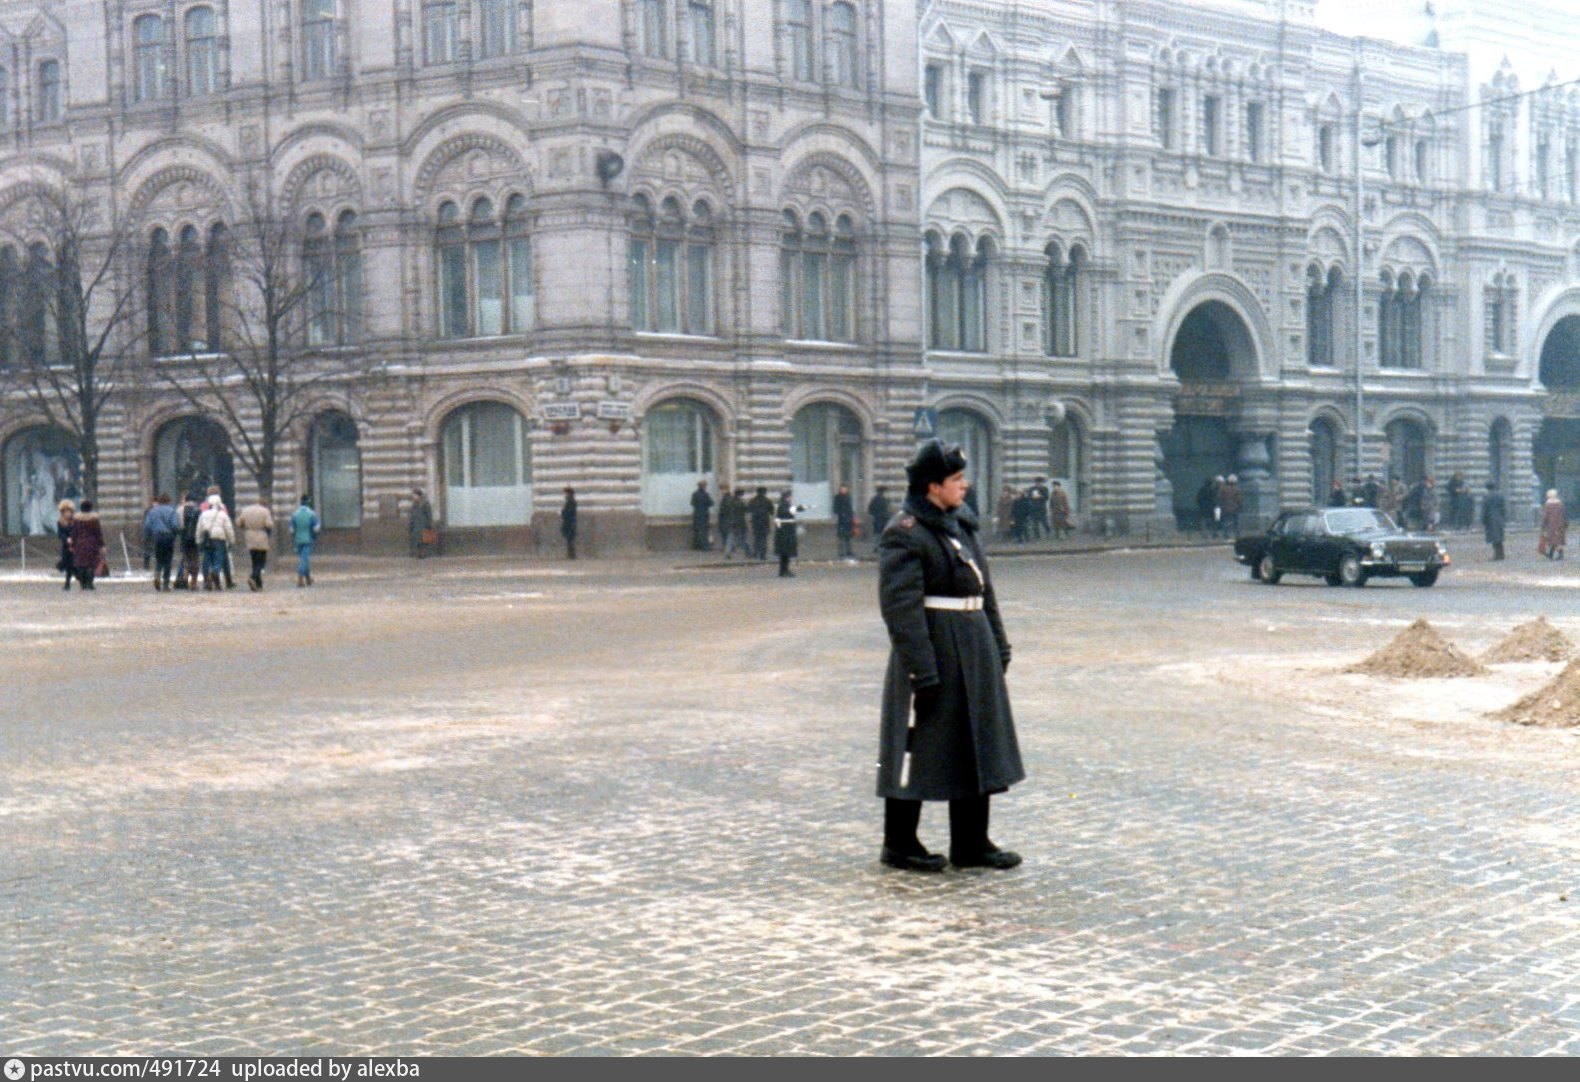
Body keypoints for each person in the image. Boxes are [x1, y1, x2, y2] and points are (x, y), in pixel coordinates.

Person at [876, 438, 1024, 872]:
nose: (964, 486)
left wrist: (998, 644)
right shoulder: (904, 534)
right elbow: (901, 609)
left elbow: (984, 591)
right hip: (932, 651)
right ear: (931, 487)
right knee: (915, 746)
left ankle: (972, 842)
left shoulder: (963, 526)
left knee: (976, 742)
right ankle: (899, 842)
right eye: (956, 479)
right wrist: (923, 672)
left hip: (973, 647)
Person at [142, 493, 181, 591]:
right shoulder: (172, 511)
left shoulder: (152, 511)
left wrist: (149, 535)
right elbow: (175, 525)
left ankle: (157, 575)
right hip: (169, 537)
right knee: (168, 560)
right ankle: (166, 584)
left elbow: (147, 525)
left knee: (159, 559)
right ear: (168, 501)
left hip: (158, 537)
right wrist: (176, 534)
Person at [197, 494, 235, 591]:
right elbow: (228, 529)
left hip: (207, 539)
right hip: (219, 539)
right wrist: (231, 540)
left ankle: (206, 580)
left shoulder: (204, 514)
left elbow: (199, 528)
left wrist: (198, 540)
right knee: (219, 558)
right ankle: (215, 571)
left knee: (207, 558)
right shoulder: (223, 515)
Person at [68, 498, 105, 590]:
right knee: (91, 564)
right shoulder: (94, 520)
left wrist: (72, 544)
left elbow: (74, 533)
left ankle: (83, 583)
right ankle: (89, 582)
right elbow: (98, 533)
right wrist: (102, 545)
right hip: (92, 544)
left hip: (79, 544)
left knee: (80, 564)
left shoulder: (77, 520)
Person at [237, 496, 274, 590]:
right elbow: (269, 524)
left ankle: (258, 583)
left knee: (254, 560)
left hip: (249, 536)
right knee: (261, 561)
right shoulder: (265, 511)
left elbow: (239, 523)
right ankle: (253, 577)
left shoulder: (246, 510)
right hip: (261, 536)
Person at [290, 494, 322, 587]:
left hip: (298, 539)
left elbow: (291, 529)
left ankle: (308, 578)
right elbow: (316, 528)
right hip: (308, 539)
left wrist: (294, 537)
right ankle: (300, 578)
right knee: (304, 559)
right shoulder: (312, 514)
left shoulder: (294, 514)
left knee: (303, 558)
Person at [773, 490, 804, 577]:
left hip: (785, 532)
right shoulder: (783, 505)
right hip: (785, 533)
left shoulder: (784, 504)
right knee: (785, 553)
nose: (791, 498)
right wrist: (797, 509)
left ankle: (784, 570)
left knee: (785, 554)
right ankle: (784, 571)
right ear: (787, 497)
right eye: (790, 496)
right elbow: (787, 512)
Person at [176, 494, 202, 590]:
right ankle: (193, 583)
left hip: (184, 538)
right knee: (195, 560)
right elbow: (200, 524)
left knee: (186, 559)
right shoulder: (197, 510)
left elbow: (177, 524)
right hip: (194, 538)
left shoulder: (179, 510)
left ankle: (184, 578)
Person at [1482, 480, 1507, 562]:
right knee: (1499, 537)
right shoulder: (1500, 495)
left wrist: (1483, 519)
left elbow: (1485, 509)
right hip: (1499, 517)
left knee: (1494, 537)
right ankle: (1501, 554)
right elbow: (1503, 507)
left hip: (1490, 518)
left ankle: (1496, 555)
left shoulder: (1486, 496)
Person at [747, 486, 774, 561]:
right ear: (765, 492)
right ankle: (763, 555)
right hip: (764, 522)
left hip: (755, 522)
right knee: (763, 539)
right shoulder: (768, 501)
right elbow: (771, 512)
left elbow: (749, 510)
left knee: (756, 538)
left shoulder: (752, 501)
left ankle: (755, 553)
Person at [1540, 489, 1567, 560]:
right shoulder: (1560, 504)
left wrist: (1543, 525)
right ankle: (1553, 554)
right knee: (1559, 539)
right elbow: (1564, 514)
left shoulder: (1548, 505)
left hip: (1552, 525)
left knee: (1553, 540)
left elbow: (1545, 516)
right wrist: (1565, 523)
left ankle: (1554, 554)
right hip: (1561, 524)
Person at [409, 487, 435, 559]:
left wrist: (429, 524)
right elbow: (412, 515)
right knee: (417, 540)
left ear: (418, 495)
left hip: (423, 525)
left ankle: (423, 553)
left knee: (423, 540)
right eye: (413, 495)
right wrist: (411, 524)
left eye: (414, 495)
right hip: (416, 525)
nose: (413, 496)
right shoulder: (414, 504)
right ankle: (419, 553)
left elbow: (429, 514)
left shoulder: (425, 503)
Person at [55, 499, 75, 591]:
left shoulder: (74, 522)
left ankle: (70, 583)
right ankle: (67, 583)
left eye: (69, 511)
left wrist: (73, 539)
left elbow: (77, 532)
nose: (68, 514)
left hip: (74, 546)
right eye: (66, 511)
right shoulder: (60, 522)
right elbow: (60, 534)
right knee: (68, 565)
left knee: (73, 565)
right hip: (66, 547)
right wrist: (66, 539)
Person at [833, 483, 856, 559]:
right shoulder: (837, 497)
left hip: (849, 520)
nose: (844, 490)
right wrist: (842, 514)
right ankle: (841, 552)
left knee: (848, 537)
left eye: (845, 488)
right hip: (842, 520)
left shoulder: (848, 497)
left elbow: (850, 508)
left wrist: (852, 516)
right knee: (841, 537)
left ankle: (849, 551)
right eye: (842, 488)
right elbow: (835, 509)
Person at [690, 479, 714, 551]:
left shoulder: (694, 494)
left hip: (696, 515)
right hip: (704, 515)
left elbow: (692, 503)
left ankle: (696, 546)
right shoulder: (706, 495)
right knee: (704, 531)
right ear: (704, 486)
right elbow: (711, 503)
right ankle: (705, 546)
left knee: (697, 530)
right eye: (705, 486)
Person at [560, 486, 578, 560]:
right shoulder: (569, 502)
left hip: (570, 523)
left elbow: (569, 512)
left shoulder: (571, 502)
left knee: (570, 539)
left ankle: (572, 555)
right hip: (569, 522)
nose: (565, 495)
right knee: (569, 539)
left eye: (566, 493)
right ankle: (570, 554)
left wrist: (563, 512)